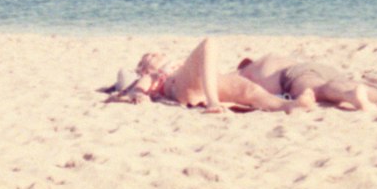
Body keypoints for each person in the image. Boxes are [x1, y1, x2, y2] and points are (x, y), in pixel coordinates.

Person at [109, 37, 306, 113]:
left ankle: (288, 106)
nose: (156, 55)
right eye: (149, 57)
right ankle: (213, 103)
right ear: (144, 69)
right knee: (210, 43)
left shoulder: (178, 63)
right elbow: (138, 88)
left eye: (158, 53)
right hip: (182, 86)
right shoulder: (156, 75)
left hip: (206, 82)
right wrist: (137, 93)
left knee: (248, 89)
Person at [236, 51, 377, 112]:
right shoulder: (274, 57)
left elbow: (242, 92)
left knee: (320, 89)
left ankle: (350, 97)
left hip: (293, 76)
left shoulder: (247, 71)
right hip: (318, 67)